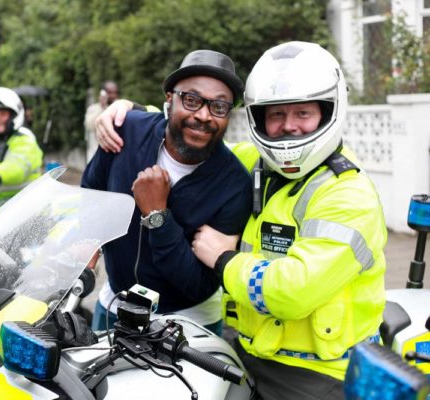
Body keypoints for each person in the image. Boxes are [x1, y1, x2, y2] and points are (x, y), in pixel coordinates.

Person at [95, 41, 387, 400]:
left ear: (328, 113)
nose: (288, 127)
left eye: (303, 114)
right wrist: (128, 112)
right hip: (246, 352)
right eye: (276, 115)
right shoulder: (254, 163)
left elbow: (294, 292)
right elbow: (196, 133)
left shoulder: (349, 195)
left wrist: (223, 259)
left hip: (317, 372)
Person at [82, 50, 252, 335]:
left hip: (187, 323)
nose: (203, 115)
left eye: (219, 106)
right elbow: (92, 192)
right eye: (192, 100)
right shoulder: (127, 132)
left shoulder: (234, 185)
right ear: (169, 99)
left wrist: (158, 216)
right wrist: (88, 243)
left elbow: (199, 284)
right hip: (112, 305)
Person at [84, 80, 119, 162]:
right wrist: (102, 107)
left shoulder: (120, 108)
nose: (113, 95)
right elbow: (89, 125)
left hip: (115, 155)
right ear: (103, 92)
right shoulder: (93, 109)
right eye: (110, 92)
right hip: (96, 154)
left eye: (115, 93)